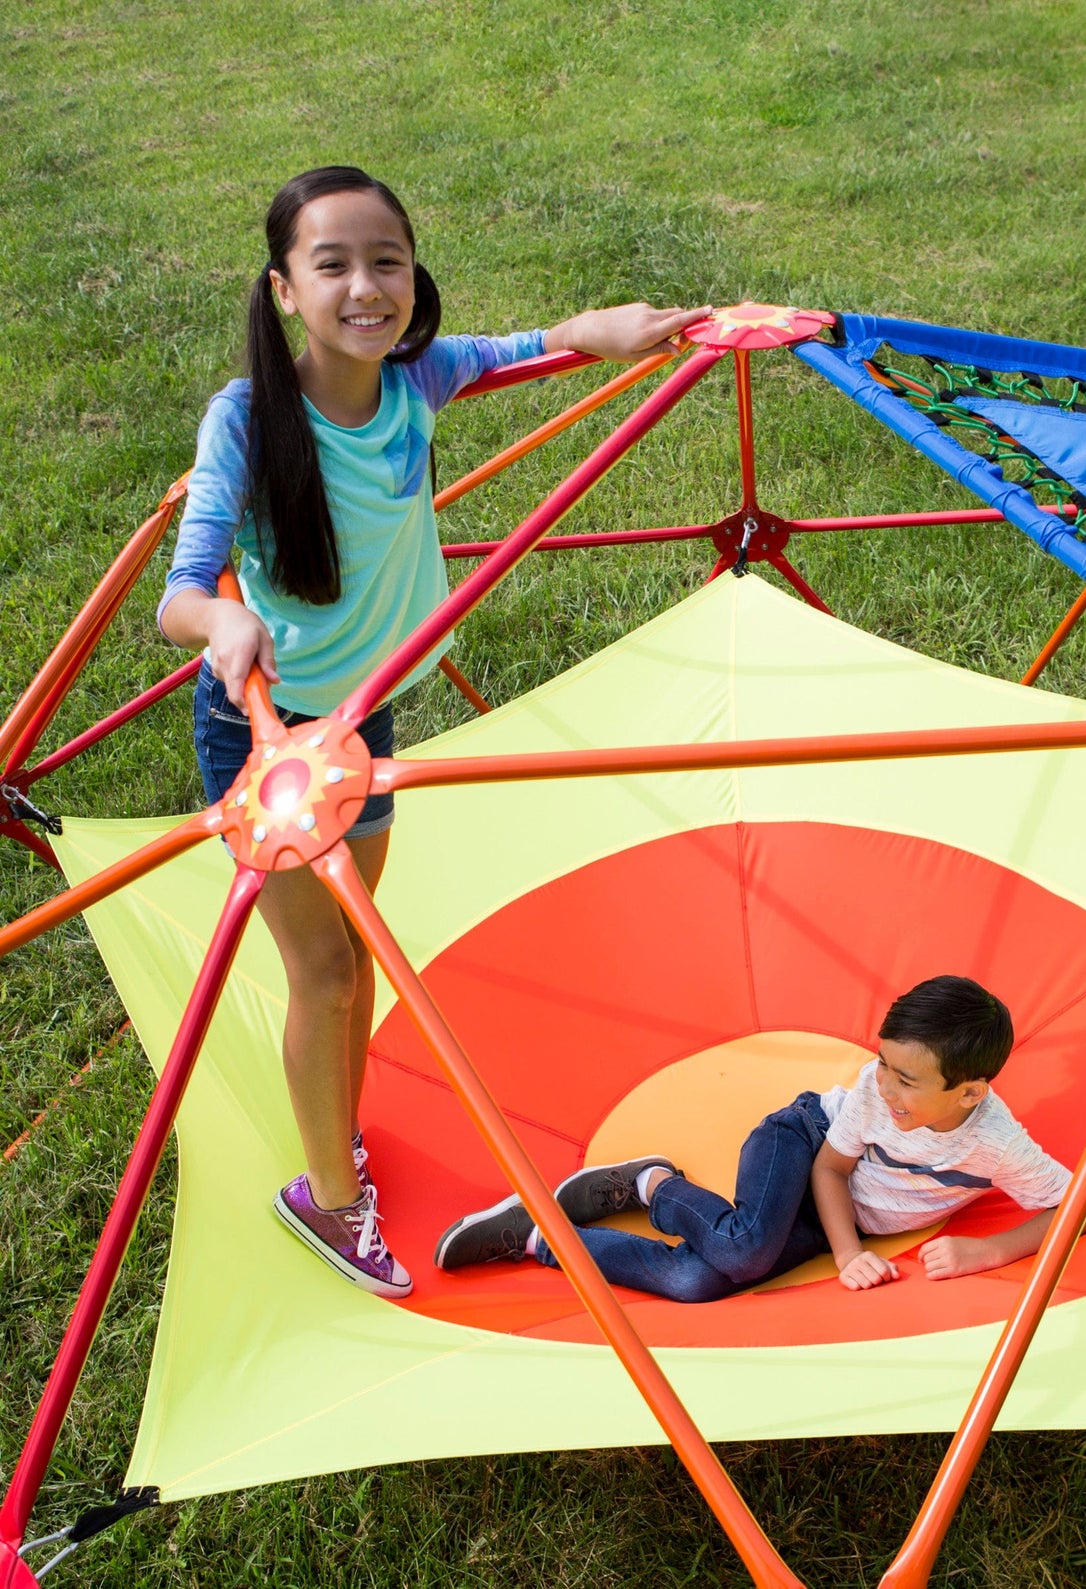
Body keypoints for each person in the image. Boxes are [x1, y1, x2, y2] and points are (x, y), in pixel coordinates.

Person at [159, 165, 708, 1300]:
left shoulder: (417, 377)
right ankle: (327, 1195)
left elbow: (526, 345)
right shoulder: (250, 419)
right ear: (282, 290)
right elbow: (180, 589)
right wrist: (222, 618)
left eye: (387, 261)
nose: (366, 287)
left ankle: (333, 1131)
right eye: (333, 265)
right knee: (321, 966)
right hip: (275, 738)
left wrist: (611, 333)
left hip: (369, 712)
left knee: (353, 957)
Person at [434, 975, 1086, 1300]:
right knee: (748, 1250)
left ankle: (541, 1237)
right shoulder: (872, 1093)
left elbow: (1083, 1205)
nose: (883, 1086)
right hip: (801, 1144)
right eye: (882, 1063)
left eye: (904, 1079)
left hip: (844, 1207)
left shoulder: (995, 1140)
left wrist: (990, 1250)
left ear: (969, 1091)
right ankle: (653, 1185)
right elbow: (831, 1169)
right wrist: (845, 1255)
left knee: (698, 1281)